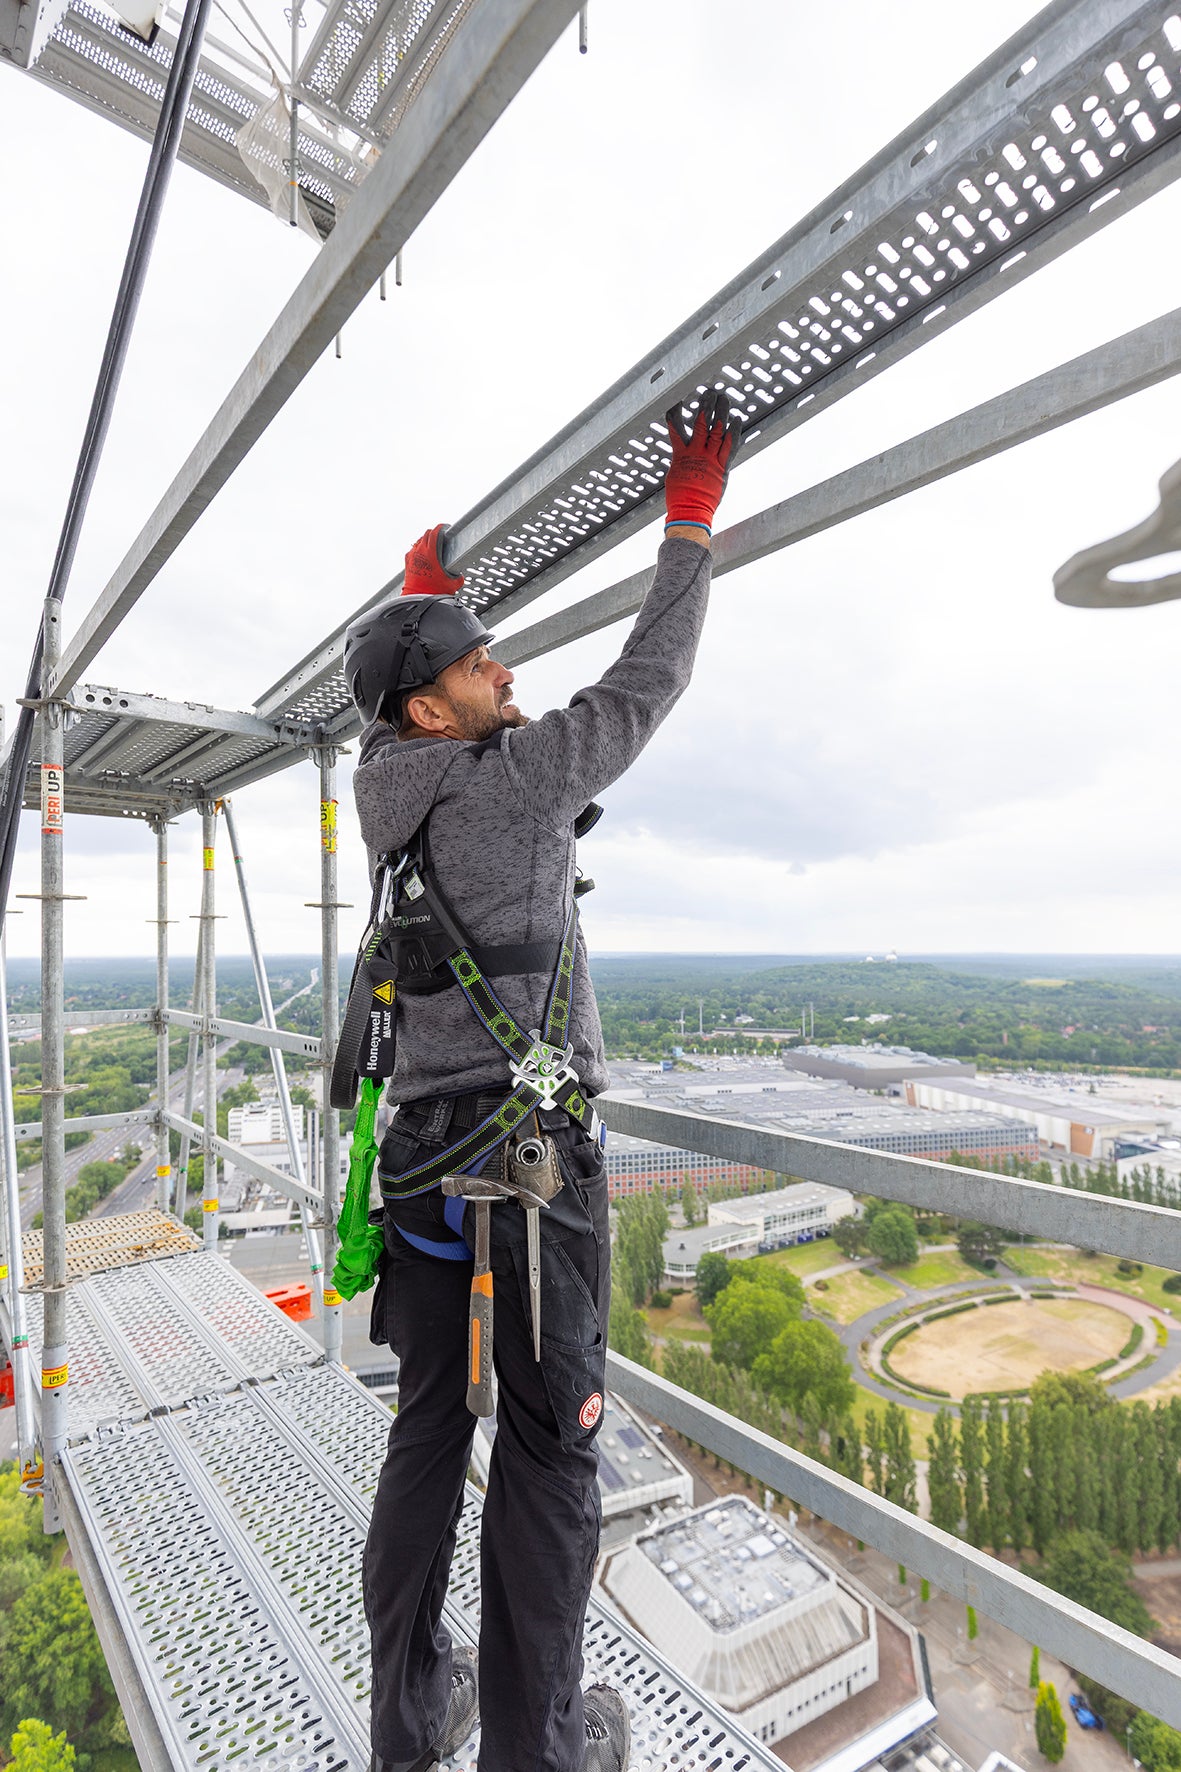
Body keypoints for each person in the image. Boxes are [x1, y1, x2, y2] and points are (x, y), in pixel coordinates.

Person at [345, 390, 742, 1772]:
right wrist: (686, 526)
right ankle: (540, 1750)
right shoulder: (507, 784)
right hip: (528, 1176)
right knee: (548, 1456)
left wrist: (424, 598)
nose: (505, 674)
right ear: (429, 703)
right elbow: (645, 684)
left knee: (425, 1429)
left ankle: (410, 1721)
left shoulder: (382, 779)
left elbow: (401, 686)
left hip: (421, 1169)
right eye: (481, 660)